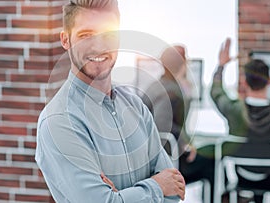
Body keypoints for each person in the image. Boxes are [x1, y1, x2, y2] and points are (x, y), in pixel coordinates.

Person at [35, 0, 186, 202]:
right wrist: (157, 186)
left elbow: (175, 191)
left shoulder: (136, 107)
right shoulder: (59, 121)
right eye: (85, 35)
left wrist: (121, 196)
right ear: (66, 40)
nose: (98, 46)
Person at [142, 45, 215, 202]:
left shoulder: (157, 85)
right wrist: (184, 143)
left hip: (153, 156)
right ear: (183, 64)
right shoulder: (170, 90)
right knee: (212, 161)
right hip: (167, 160)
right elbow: (162, 125)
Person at [211, 38, 270, 203]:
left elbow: (216, 93)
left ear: (244, 82)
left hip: (241, 173)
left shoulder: (234, 109)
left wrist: (221, 66)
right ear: (269, 81)